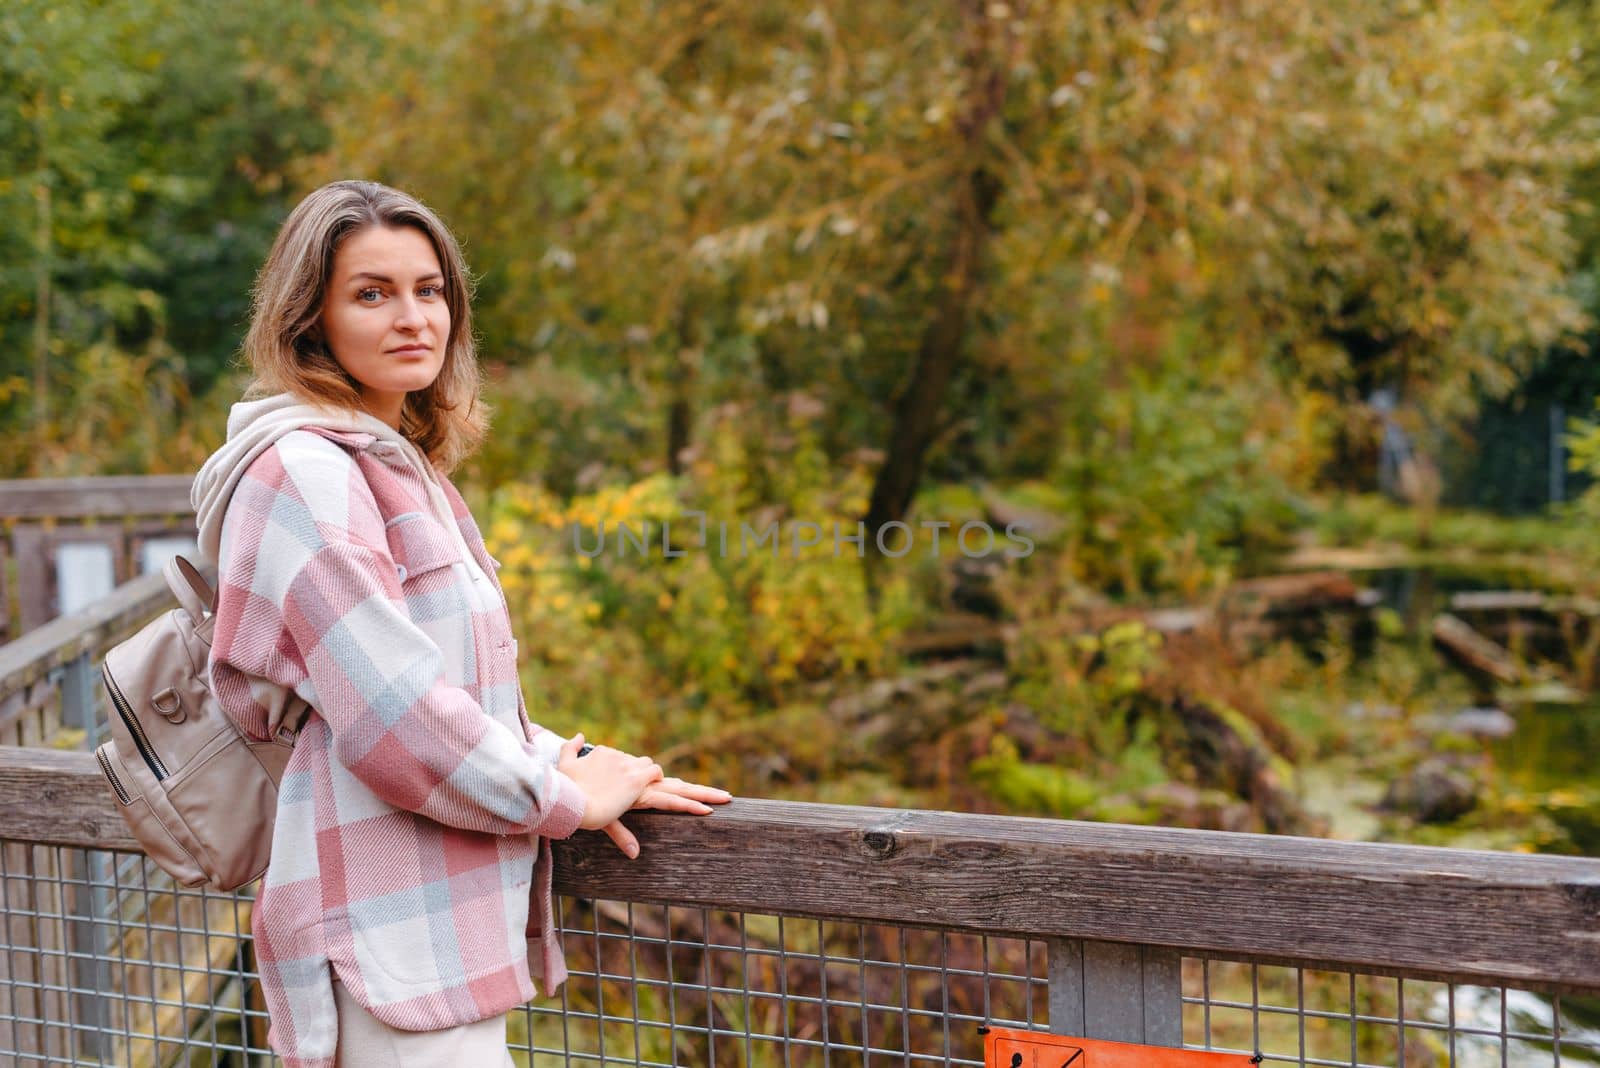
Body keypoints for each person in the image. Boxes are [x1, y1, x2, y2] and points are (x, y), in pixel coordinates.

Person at [191, 179, 731, 1067]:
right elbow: (394, 719)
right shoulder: (306, 475)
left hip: (440, 929)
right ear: (308, 319)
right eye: (372, 293)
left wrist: (567, 756)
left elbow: (440, 681)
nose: (413, 318)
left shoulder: (403, 469)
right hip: (380, 936)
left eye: (429, 289)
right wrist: (561, 799)